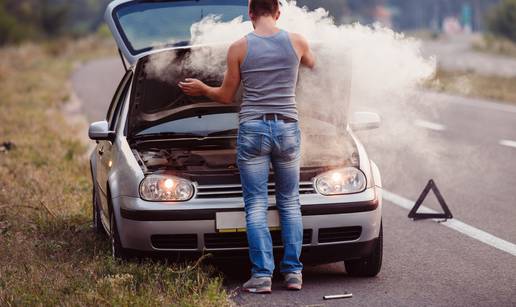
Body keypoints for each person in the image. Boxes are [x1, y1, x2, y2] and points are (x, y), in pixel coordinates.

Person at [179, 0, 315, 294]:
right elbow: (316, 67)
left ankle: (262, 276)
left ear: (250, 14)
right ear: (278, 12)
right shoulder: (298, 41)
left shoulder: (238, 48)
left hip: (253, 129)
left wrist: (202, 88)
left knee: (256, 204)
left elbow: (227, 96)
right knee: (290, 203)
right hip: (288, 127)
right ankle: (293, 273)